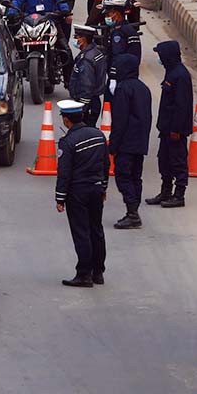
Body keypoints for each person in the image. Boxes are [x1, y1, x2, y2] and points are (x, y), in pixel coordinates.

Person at [55, 98, 109, 288]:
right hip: (96, 189)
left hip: (78, 192)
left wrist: (60, 198)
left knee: (81, 232)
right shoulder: (98, 135)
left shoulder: (67, 142)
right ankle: (98, 272)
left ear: (67, 120)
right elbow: (105, 164)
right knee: (96, 229)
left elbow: (64, 173)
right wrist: (103, 187)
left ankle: (84, 274)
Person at [146, 41, 194, 208]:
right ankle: (166, 191)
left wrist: (176, 129)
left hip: (175, 129)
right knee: (164, 160)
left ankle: (179, 195)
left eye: (160, 54)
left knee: (178, 161)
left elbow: (182, 106)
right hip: (166, 127)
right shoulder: (171, 72)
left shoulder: (180, 75)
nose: (159, 58)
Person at [109, 53, 152, 229]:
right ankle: (134, 209)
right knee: (136, 177)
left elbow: (120, 120)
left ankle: (132, 213)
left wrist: (113, 145)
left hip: (126, 142)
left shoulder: (123, 89)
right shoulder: (143, 88)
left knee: (123, 176)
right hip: (140, 142)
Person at [69, 24, 107, 127]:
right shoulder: (96, 52)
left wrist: (82, 108)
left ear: (83, 39)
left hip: (88, 103)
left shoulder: (86, 59)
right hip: (93, 101)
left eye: (76, 37)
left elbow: (87, 85)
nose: (75, 40)